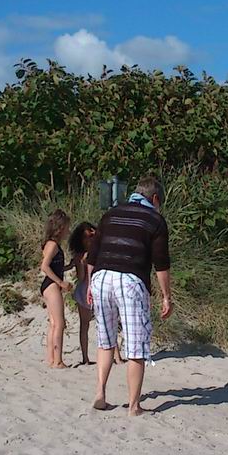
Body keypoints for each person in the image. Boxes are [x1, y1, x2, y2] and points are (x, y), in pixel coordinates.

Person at [86, 175, 173, 415]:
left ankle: (100, 393)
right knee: (136, 346)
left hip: (101, 278)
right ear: (155, 198)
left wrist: (91, 285)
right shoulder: (155, 220)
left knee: (105, 341)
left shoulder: (111, 214)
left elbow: (93, 254)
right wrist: (166, 296)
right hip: (130, 281)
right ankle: (134, 406)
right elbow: (161, 263)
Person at [39, 209, 72, 369]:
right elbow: (45, 266)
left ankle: (51, 359)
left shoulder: (50, 244)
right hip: (51, 285)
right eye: (67, 228)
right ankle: (57, 360)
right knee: (59, 323)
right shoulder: (52, 245)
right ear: (60, 228)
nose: (68, 231)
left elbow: (55, 267)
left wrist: (70, 266)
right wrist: (61, 282)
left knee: (53, 323)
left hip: (48, 285)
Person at [68, 221, 98, 366]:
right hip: (84, 290)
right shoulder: (79, 256)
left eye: (91, 236)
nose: (89, 240)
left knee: (107, 322)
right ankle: (85, 357)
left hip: (99, 290)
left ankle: (116, 356)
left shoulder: (99, 251)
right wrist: (82, 264)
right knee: (84, 325)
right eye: (86, 237)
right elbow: (80, 278)